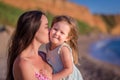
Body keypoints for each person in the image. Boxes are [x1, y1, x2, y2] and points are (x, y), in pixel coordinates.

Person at [6, 10, 53, 80]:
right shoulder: (23, 63)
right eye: (46, 27)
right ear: (34, 29)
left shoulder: (43, 56)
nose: (51, 30)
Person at [46, 15, 83, 80]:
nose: (57, 33)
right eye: (55, 29)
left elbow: (69, 69)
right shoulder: (48, 45)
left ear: (67, 38)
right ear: (50, 28)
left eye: (62, 32)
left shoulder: (63, 49)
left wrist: (52, 78)